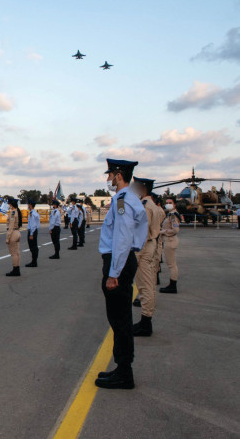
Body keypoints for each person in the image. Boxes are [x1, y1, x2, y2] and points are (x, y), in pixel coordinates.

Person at [96, 158, 147, 389]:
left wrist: (114, 273)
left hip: (120, 262)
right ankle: (122, 368)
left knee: (120, 319)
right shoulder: (127, 200)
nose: (108, 179)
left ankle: (125, 372)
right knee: (119, 318)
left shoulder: (123, 200)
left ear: (118, 175)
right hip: (124, 261)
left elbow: (123, 237)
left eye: (110, 175)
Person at [130, 176, 164, 337]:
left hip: (143, 247)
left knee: (145, 285)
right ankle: (146, 319)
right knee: (148, 284)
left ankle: (145, 322)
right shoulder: (154, 206)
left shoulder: (145, 207)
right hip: (152, 244)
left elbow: (142, 230)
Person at [160, 196, 181, 294]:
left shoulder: (172, 215)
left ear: (174, 204)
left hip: (170, 240)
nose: (168, 204)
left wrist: (163, 231)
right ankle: (172, 284)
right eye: (167, 202)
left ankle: (173, 285)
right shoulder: (170, 214)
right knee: (172, 264)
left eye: (170, 202)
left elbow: (175, 230)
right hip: (170, 240)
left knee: (172, 265)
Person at [5, 197, 22, 276]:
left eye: (9, 203)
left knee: (13, 254)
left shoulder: (12, 212)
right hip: (17, 232)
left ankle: (15, 269)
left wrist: (8, 238)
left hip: (13, 233)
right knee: (17, 253)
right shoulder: (17, 211)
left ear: (11, 204)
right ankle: (17, 268)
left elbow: (11, 226)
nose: (8, 205)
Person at [26, 199, 40, 267]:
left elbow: (33, 225)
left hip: (32, 232)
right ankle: (34, 261)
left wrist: (31, 234)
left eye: (28, 204)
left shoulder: (32, 214)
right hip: (34, 231)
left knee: (33, 247)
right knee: (34, 247)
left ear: (30, 205)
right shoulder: (35, 213)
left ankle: (34, 262)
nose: (27, 206)